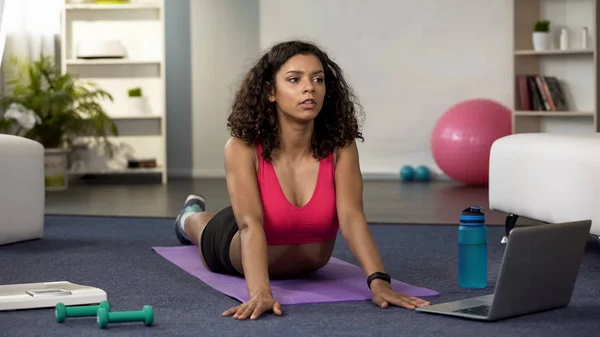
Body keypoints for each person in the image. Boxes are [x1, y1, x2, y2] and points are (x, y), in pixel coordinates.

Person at [174, 40, 430, 320]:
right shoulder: (241, 148)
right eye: (294, 79)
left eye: (317, 79)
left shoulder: (340, 146)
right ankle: (189, 216)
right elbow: (249, 226)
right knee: (202, 227)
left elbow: (352, 216)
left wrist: (379, 282)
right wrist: (260, 292)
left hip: (293, 250)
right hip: (232, 240)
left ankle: (193, 214)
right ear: (271, 91)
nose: (309, 87)